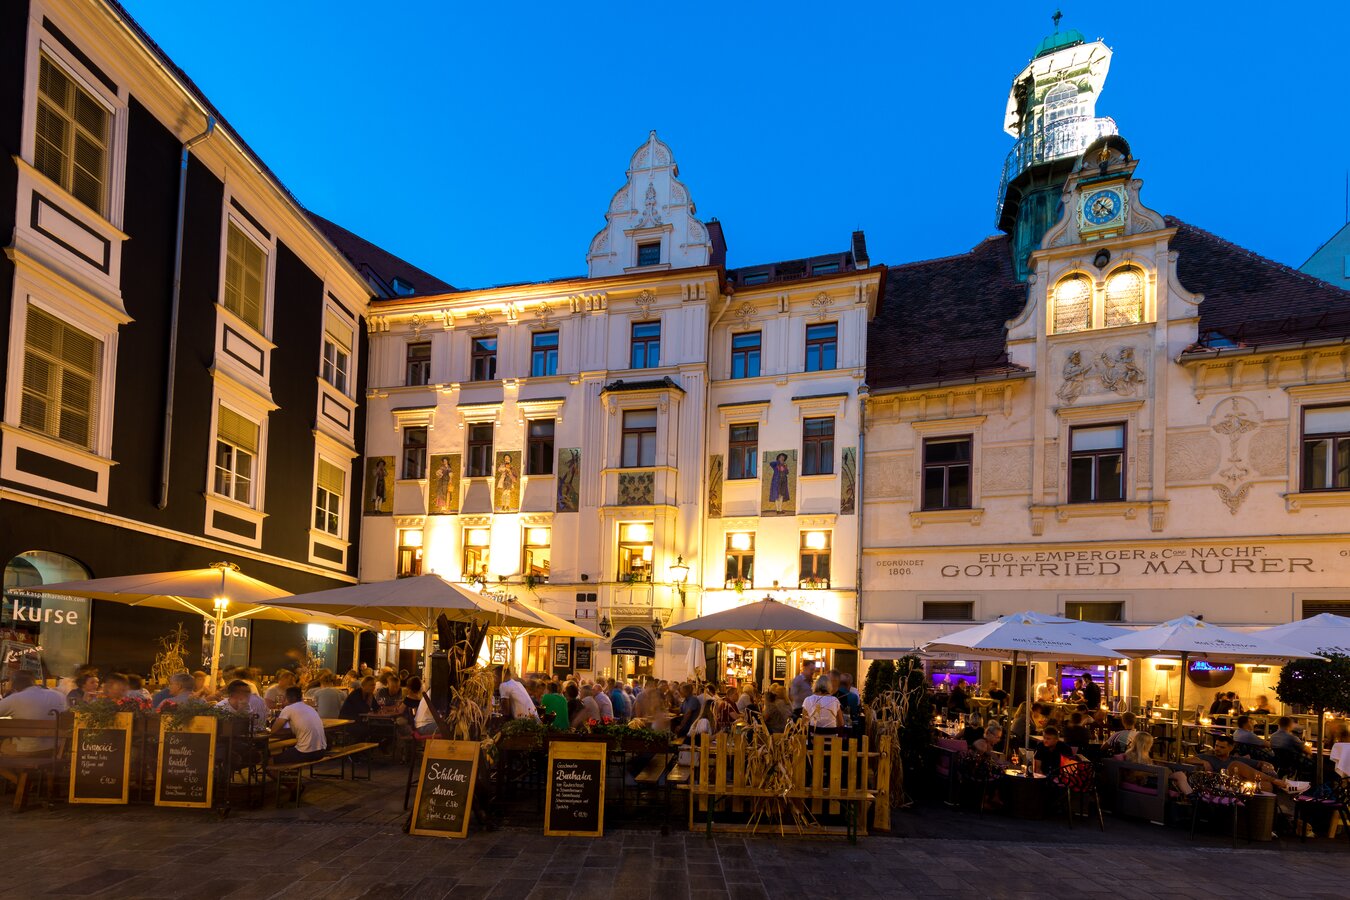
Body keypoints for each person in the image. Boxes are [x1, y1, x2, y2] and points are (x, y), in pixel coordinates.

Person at [0, 672, 67, 768]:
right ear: (33, 682)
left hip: (26, 749)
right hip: (55, 749)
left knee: (4, 746)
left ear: (13, 685)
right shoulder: (59, 695)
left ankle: (12, 776)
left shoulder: (15, 699)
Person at [1189, 735, 1288, 793]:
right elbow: (1187, 760)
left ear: (1231, 748)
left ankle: (1278, 784)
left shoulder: (1236, 759)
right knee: (1235, 765)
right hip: (1219, 785)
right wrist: (1203, 762)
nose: (1217, 749)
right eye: (1216, 746)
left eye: (1222, 747)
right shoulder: (1207, 757)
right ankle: (1277, 782)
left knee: (1267, 786)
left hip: (1238, 786)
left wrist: (1268, 766)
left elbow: (1261, 763)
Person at [1119, 732, 1192, 797]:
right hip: (1144, 780)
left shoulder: (1144, 755)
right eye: (1150, 744)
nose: (1151, 746)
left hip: (1153, 777)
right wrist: (1155, 771)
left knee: (1180, 775)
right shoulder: (1131, 754)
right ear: (1144, 744)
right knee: (1179, 776)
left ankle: (1190, 796)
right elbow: (1136, 773)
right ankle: (1191, 796)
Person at [269, 686, 327, 764]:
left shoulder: (288, 709)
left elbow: (273, 730)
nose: (282, 701)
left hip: (306, 752)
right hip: (321, 751)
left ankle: (272, 769)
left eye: (284, 698)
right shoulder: (309, 708)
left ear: (288, 698)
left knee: (270, 761)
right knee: (288, 751)